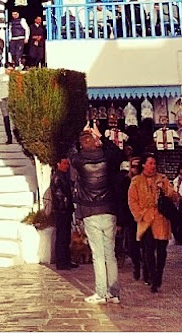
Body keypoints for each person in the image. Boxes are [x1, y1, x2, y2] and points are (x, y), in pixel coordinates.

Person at [69, 125, 121, 304]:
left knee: (98, 255)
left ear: (82, 145)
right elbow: (117, 151)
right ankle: (113, 293)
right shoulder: (107, 158)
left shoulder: (79, 161)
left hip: (91, 211)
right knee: (110, 254)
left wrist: (81, 136)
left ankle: (101, 292)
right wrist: (101, 137)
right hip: (108, 209)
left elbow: (71, 151)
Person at [127, 153, 179, 293]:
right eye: (150, 163)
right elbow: (132, 201)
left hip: (161, 219)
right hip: (145, 220)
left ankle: (158, 275)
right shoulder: (136, 181)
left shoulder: (162, 179)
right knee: (148, 250)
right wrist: (139, 215)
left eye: (154, 163)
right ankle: (151, 276)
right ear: (144, 165)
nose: (153, 166)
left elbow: (174, 196)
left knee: (161, 251)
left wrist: (165, 190)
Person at [51, 156, 78, 270]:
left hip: (65, 211)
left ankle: (66, 260)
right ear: (58, 164)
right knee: (62, 236)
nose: (66, 166)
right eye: (64, 163)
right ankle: (61, 262)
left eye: (67, 164)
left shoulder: (63, 176)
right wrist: (65, 207)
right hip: (61, 212)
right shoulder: (58, 177)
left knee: (66, 236)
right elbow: (60, 196)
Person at [0, 62, 20, 145]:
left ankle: (18, 137)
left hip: (12, 99)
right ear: (5, 69)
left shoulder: (14, 77)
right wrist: (0, 99)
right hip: (4, 99)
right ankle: (9, 138)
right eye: (9, 70)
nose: (10, 71)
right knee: (6, 120)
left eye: (11, 70)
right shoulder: (0, 77)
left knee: (16, 119)